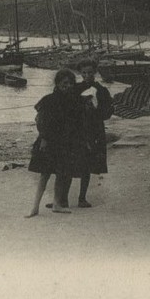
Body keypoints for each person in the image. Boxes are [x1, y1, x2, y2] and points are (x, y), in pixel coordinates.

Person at [25, 69, 88, 217]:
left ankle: (56, 204)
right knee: (44, 174)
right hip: (49, 140)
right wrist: (44, 139)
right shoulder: (49, 100)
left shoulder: (73, 100)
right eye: (64, 83)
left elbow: (77, 122)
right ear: (58, 84)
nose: (68, 86)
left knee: (62, 173)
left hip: (65, 142)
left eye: (71, 83)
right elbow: (40, 121)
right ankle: (35, 207)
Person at [75, 59, 114, 208]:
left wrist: (96, 109)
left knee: (87, 163)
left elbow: (107, 113)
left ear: (95, 72)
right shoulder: (75, 88)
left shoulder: (102, 90)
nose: (87, 75)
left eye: (90, 72)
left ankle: (82, 198)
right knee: (69, 161)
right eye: (84, 73)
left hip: (94, 129)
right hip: (78, 129)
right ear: (80, 73)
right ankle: (62, 197)